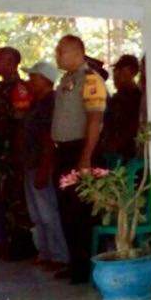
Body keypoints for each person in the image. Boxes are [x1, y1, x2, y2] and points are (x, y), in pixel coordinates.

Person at [52, 36, 107, 281]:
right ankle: (76, 264)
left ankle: (88, 267)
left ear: (77, 53)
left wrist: (86, 156)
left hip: (81, 150)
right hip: (64, 151)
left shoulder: (91, 79)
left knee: (82, 212)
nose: (57, 55)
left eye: (61, 51)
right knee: (66, 210)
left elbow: (95, 120)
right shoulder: (67, 80)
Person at [0, 47, 33, 261]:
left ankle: (22, 246)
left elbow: (21, 123)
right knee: (0, 198)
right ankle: (6, 243)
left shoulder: (19, 88)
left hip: (12, 155)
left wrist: (17, 155)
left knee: (16, 201)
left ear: (11, 62)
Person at [22, 61, 69, 269]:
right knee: (37, 212)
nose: (29, 81)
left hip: (41, 163)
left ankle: (59, 256)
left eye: (33, 77)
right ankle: (46, 252)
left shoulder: (51, 102)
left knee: (48, 211)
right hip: (31, 162)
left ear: (45, 80)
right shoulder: (36, 102)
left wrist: (45, 166)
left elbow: (48, 138)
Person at [100, 54, 142, 165]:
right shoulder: (116, 98)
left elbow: (131, 127)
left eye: (121, 71)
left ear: (132, 72)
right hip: (112, 152)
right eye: (115, 71)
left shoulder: (136, 98)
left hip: (127, 153)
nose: (116, 75)